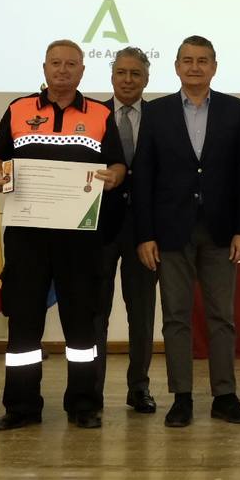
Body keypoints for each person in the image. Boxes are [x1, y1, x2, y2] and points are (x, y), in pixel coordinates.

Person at [0, 40, 126, 430]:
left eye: (71, 64)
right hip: (26, 235)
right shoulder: (18, 109)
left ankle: (83, 404)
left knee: (81, 322)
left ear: (82, 71)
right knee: (24, 321)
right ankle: (21, 406)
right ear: (44, 68)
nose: (63, 70)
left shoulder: (100, 114)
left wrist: (114, 177)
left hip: (80, 237)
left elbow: (118, 164)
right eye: (56, 63)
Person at [133, 35, 240, 428]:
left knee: (222, 316)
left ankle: (225, 396)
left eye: (203, 60)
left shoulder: (235, 110)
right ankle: (181, 398)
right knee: (176, 317)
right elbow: (144, 177)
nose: (195, 67)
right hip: (171, 231)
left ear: (214, 67)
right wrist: (145, 234)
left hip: (222, 230)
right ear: (176, 67)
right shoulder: (156, 112)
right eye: (187, 60)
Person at [94, 47, 159, 414]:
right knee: (95, 312)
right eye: (122, 72)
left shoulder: (161, 118)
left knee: (142, 313)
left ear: (146, 79)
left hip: (145, 230)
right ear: (112, 76)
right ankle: (93, 389)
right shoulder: (93, 116)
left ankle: (139, 387)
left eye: (136, 73)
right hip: (100, 227)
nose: (128, 79)